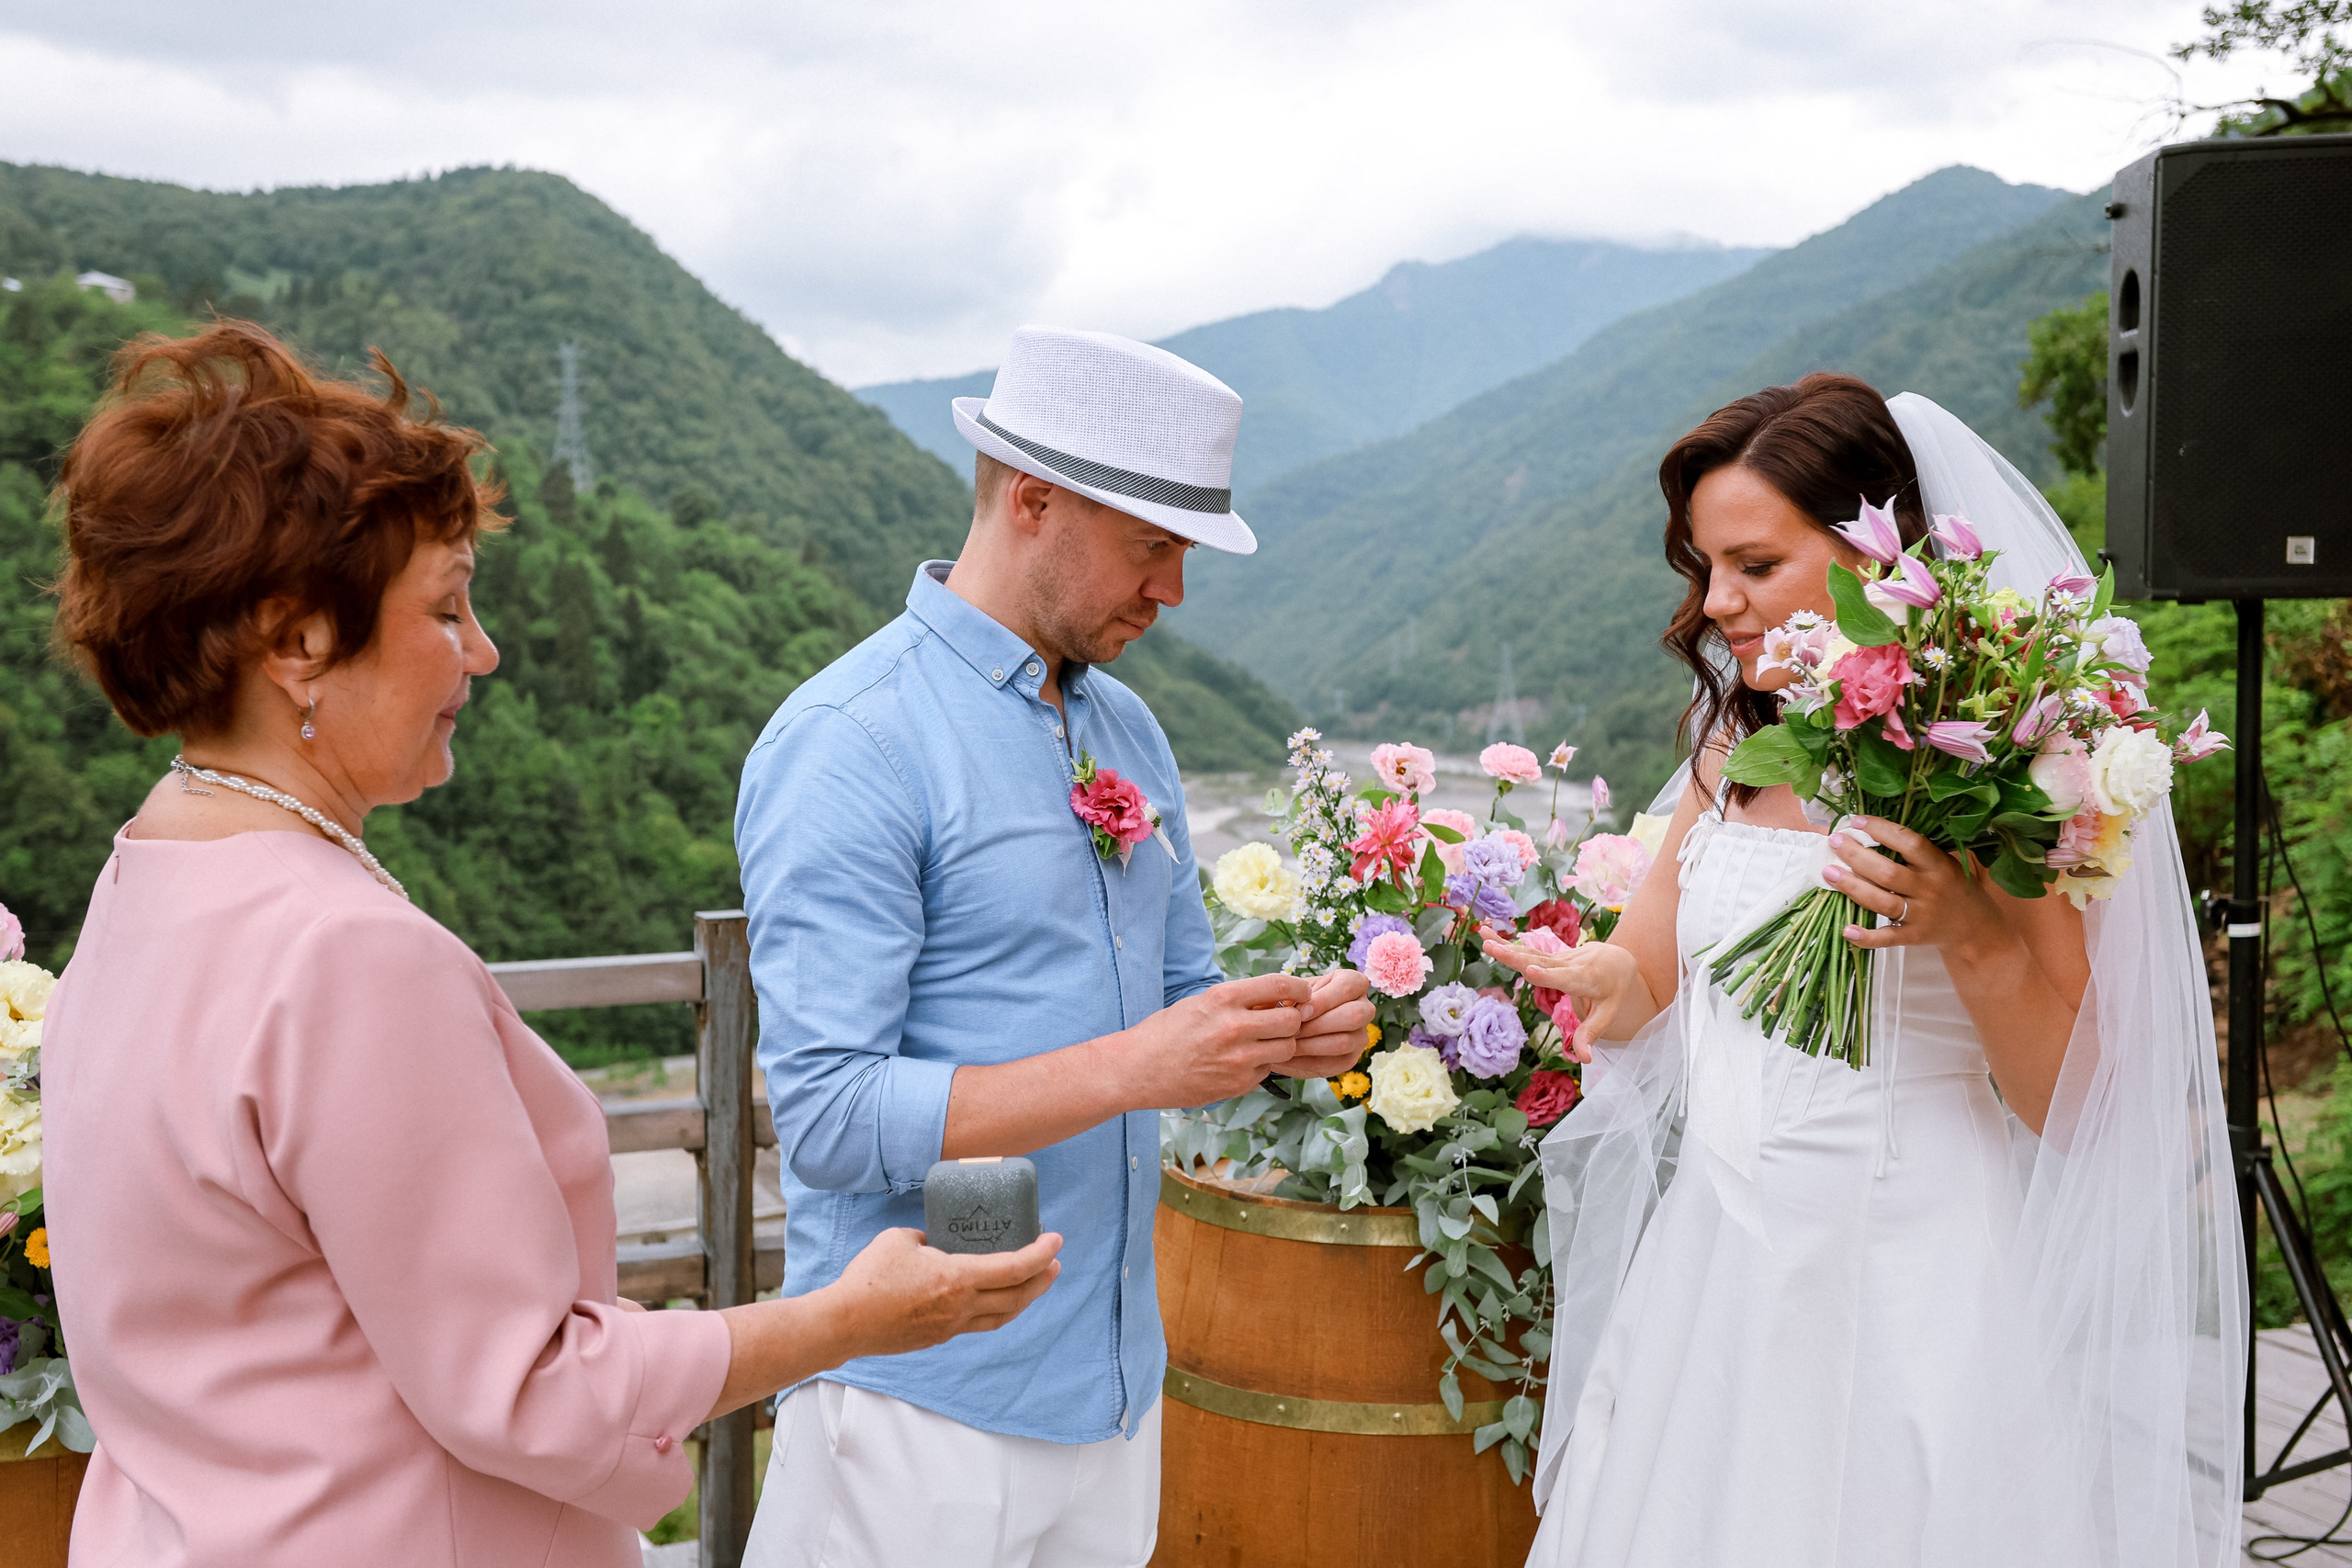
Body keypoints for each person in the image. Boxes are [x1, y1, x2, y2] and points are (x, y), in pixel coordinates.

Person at [38, 322, 1062, 1568]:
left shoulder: (148, 874)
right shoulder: (346, 954)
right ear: (297, 639)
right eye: (448, 608)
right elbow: (532, 1387)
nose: (484, 651)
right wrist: (849, 1317)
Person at [1485, 374, 2240, 1567]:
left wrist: (1970, 931)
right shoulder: (1736, 743)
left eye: (1755, 565)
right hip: (1719, 1267)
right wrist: (1592, 978)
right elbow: (1649, 966)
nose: (1718, 603)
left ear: (1873, 555)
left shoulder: (2006, 756)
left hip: (1911, 1271)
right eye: (1705, 568)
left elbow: (2077, 1100)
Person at [734, 325, 1374, 1567]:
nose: (1173, 590)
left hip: (1117, 1388)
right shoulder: (850, 741)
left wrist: (1279, 1034)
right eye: (1154, 547)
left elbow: (1184, 993)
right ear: (1033, 500)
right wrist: (1142, 1065)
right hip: (921, 1398)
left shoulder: (1127, 726)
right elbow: (824, 1115)